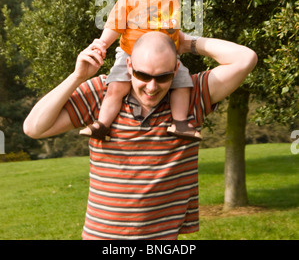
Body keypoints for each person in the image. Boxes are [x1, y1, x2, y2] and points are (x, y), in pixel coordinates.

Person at [23, 31, 257, 240]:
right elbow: (34, 128)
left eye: (163, 77)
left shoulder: (191, 97)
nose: (152, 87)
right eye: (143, 75)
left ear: (176, 70)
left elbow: (245, 58)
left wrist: (187, 43)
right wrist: (77, 76)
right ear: (128, 66)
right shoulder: (100, 93)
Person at [79, 0, 210, 142]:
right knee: (116, 87)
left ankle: (180, 123)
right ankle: (102, 124)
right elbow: (114, 25)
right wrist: (102, 43)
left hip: (167, 57)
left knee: (183, 83)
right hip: (130, 54)